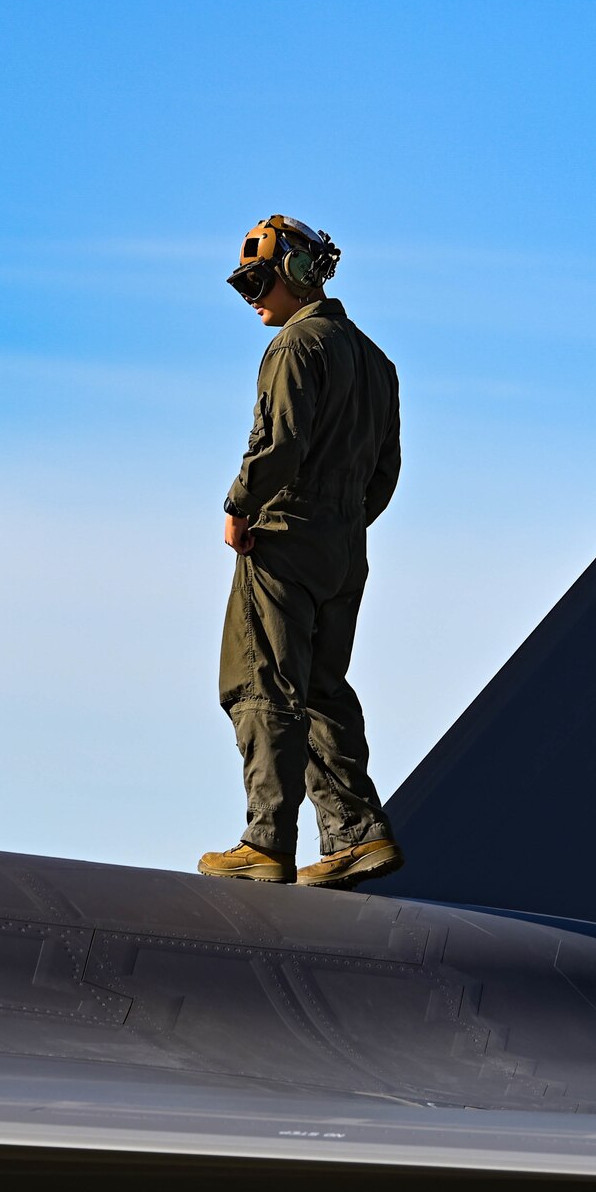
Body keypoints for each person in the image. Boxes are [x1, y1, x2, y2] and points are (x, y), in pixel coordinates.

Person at [196, 215, 405, 890]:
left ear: (297, 271)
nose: (250, 296)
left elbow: (278, 443)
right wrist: (341, 526)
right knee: (322, 690)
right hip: (344, 548)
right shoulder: (376, 362)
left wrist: (240, 506)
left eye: (258, 280)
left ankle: (266, 842)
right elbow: (385, 473)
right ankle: (356, 835)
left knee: (261, 681)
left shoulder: (294, 346)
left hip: (282, 537)